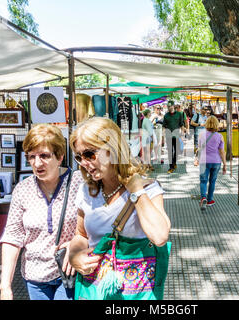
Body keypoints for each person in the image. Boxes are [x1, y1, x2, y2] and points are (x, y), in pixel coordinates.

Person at [68, 117, 171, 299]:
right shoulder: (86, 190)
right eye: (78, 157)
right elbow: (81, 234)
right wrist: (74, 256)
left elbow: (160, 237)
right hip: (94, 288)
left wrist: (136, 190)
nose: (83, 163)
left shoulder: (148, 189)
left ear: (113, 149)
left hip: (138, 293)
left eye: (89, 154)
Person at [0, 124, 84, 300]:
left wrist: (77, 243)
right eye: (32, 156)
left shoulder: (79, 183)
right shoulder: (23, 189)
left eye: (44, 155)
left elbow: (95, 225)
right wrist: (5, 286)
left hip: (68, 272)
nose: (37, 163)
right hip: (34, 276)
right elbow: (12, 237)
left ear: (60, 157)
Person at [196, 116, 227, 210]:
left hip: (204, 161)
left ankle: (203, 198)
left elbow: (199, 148)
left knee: (203, 181)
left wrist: (197, 159)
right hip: (216, 161)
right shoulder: (220, 136)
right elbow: (222, 151)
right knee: (212, 181)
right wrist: (225, 164)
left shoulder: (201, 134)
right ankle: (210, 200)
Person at [163, 101, 185, 173]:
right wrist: (162, 136)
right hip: (168, 136)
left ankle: (174, 162)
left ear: (173, 106)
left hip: (177, 136)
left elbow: (181, 124)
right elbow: (164, 126)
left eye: (170, 106)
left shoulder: (179, 114)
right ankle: (171, 167)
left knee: (177, 151)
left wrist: (182, 134)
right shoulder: (166, 115)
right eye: (168, 106)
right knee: (170, 151)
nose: (169, 108)